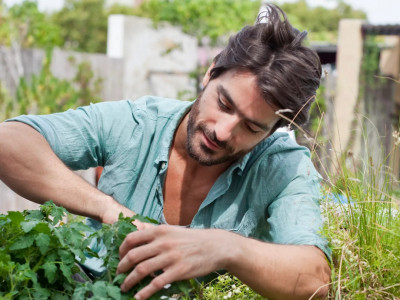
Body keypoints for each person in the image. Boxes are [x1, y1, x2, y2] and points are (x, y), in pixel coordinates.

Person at [0, 4, 331, 299]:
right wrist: (108, 209)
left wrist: (227, 248)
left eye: (252, 127)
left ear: (272, 131)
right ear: (210, 72)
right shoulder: (138, 123)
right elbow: (9, 140)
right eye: (224, 103)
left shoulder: (282, 166)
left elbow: (314, 278)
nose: (223, 131)